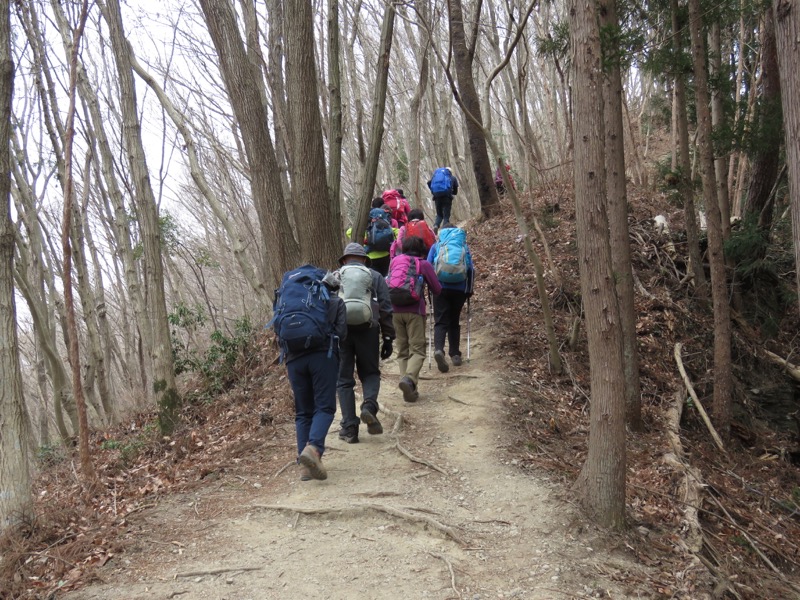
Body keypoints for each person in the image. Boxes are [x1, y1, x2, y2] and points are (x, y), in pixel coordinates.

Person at [271, 266, 347, 481]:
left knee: (303, 412)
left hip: (293, 359)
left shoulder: (284, 304)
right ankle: (313, 449)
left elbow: (277, 330)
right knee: (325, 407)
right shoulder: (333, 301)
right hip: (323, 355)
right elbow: (342, 333)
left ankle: (304, 467)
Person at [336, 243, 395, 444]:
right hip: (369, 329)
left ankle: (350, 428)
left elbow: (326, 306)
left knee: (344, 380)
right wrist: (388, 337)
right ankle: (369, 407)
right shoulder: (375, 276)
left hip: (341, 332)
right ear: (364, 259)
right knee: (370, 373)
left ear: (344, 260)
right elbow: (386, 307)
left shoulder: (336, 276)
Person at [388, 236, 442, 402]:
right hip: (415, 311)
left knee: (402, 350)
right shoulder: (423, 264)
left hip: (395, 310)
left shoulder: (395, 261)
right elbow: (437, 289)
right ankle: (409, 379)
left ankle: (409, 389)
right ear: (421, 249)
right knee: (417, 350)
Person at [427, 224, 474, 372]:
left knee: (440, 321)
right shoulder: (463, 246)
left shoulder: (437, 246)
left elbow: (428, 266)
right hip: (459, 289)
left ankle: (439, 350)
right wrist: (469, 290)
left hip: (439, 288)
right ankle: (455, 354)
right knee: (454, 321)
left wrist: (430, 287)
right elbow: (471, 269)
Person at [427, 167, 459, 232]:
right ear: (450, 172)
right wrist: (450, 191)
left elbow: (429, 183)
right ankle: (445, 230)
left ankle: (436, 225)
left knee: (439, 215)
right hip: (447, 197)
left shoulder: (435, 177)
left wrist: (433, 191)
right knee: (446, 216)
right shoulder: (452, 178)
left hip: (437, 197)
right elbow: (455, 192)